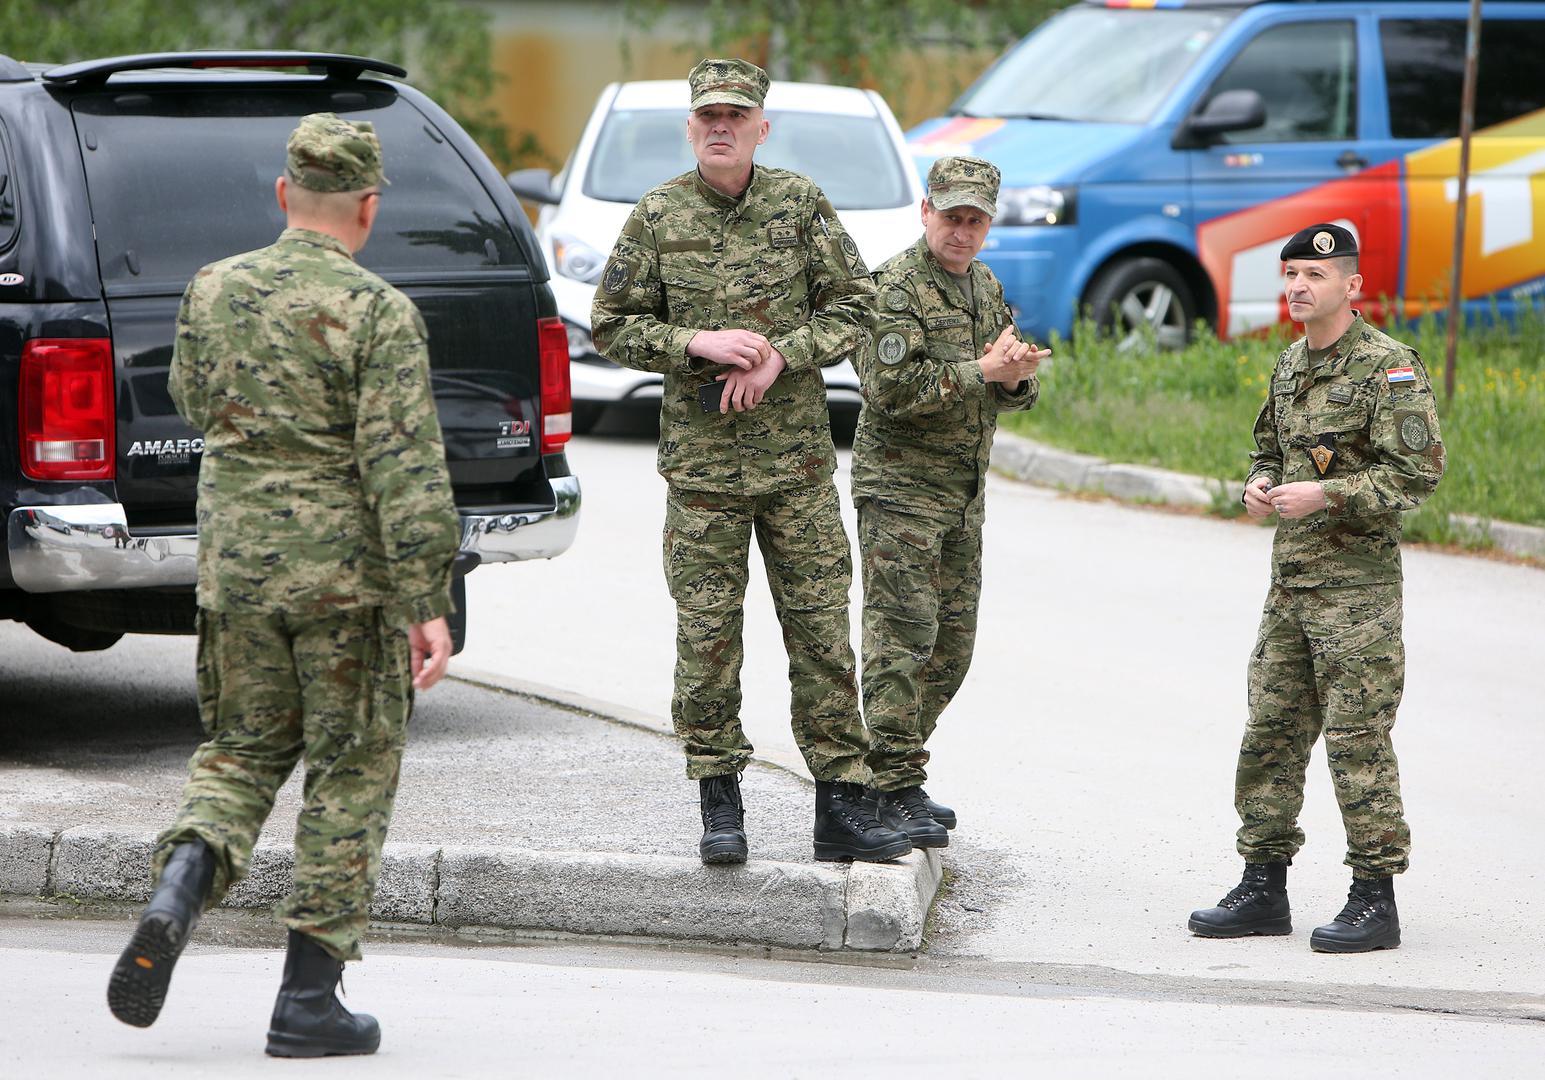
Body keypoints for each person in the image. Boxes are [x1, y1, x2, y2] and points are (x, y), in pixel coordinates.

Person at [106, 113, 461, 1054]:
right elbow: (404, 470)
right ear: (369, 206)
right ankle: (308, 1001)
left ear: (283, 194)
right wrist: (427, 602)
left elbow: (190, 399)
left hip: (238, 574)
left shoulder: (212, 288)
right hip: (346, 587)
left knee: (239, 751)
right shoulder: (378, 312)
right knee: (349, 771)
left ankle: (180, 886)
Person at [591, 58, 909, 866]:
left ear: (761, 128)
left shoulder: (798, 204)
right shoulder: (657, 214)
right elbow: (610, 324)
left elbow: (857, 302)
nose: (720, 127)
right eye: (708, 116)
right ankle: (719, 802)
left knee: (821, 634)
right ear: (689, 127)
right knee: (707, 640)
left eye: (735, 116)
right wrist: (693, 341)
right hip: (703, 475)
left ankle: (840, 804)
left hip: (795, 468)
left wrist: (782, 356)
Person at [1188, 222, 1444, 952]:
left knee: (1357, 741)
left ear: (1351, 285)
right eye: (1291, 274)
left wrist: (1327, 494)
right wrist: (1259, 482)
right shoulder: (1290, 363)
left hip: (1356, 595)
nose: (1298, 287)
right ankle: (1262, 886)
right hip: (1291, 587)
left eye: (1315, 275)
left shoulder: (1388, 368)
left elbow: (1416, 474)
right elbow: (1269, 448)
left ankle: (1374, 898)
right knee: (1269, 733)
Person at [851, 156, 1046, 847]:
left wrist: (1014, 378)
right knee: (900, 642)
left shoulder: (984, 285)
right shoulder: (894, 288)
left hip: (962, 497)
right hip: (900, 493)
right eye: (951, 216)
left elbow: (1004, 384)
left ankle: (895, 770)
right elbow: (889, 390)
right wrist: (980, 370)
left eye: (974, 220)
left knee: (951, 647)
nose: (961, 232)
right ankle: (889, 785)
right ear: (925, 211)